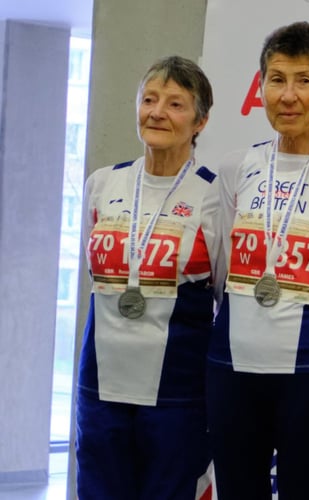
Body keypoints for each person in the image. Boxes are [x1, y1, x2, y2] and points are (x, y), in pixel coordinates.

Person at [206, 21, 309, 499]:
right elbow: (220, 276)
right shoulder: (235, 167)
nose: (289, 95)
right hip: (232, 370)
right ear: (260, 87)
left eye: (304, 80)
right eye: (277, 79)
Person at [76, 56, 218, 499]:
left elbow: (224, 292)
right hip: (102, 379)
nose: (157, 112)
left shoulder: (215, 194)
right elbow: (95, 272)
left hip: (177, 388)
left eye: (176, 103)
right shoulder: (103, 183)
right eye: (149, 99)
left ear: (201, 121)